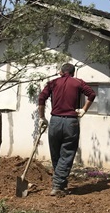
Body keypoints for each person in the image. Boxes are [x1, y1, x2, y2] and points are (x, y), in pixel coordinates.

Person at [38, 63, 96, 197]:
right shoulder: (78, 82)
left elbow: (41, 98)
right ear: (73, 72)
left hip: (55, 121)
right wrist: (84, 110)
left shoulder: (53, 83)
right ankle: (58, 185)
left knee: (56, 154)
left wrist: (42, 117)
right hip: (71, 122)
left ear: (60, 72)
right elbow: (92, 94)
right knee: (67, 153)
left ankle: (60, 184)